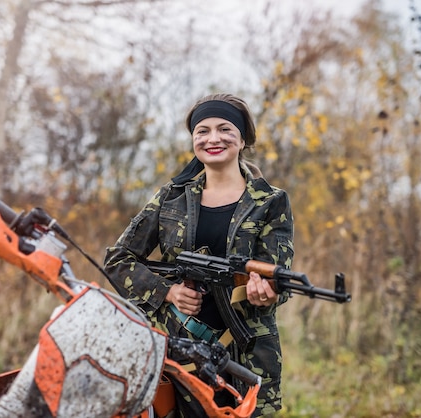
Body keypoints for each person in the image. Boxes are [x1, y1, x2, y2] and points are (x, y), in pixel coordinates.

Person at [104, 93, 295, 417]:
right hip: (175, 352)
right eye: (202, 131)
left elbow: (277, 274)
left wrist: (266, 294)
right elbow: (118, 260)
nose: (213, 138)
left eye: (224, 129)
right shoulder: (172, 197)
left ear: (243, 138)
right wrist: (168, 292)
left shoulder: (270, 201)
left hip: (245, 357)